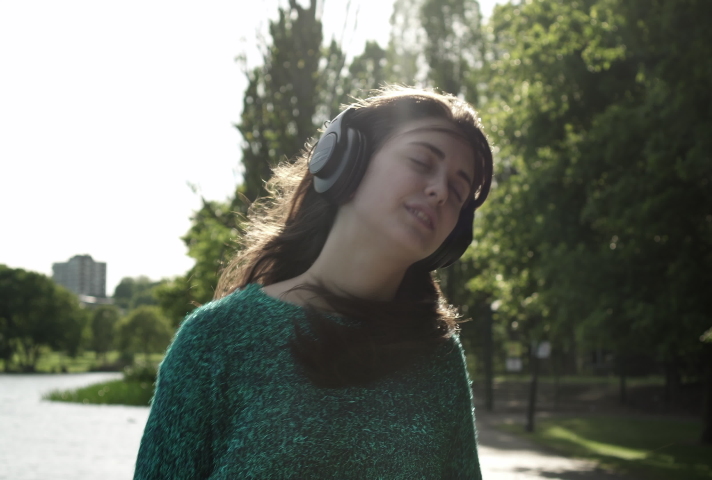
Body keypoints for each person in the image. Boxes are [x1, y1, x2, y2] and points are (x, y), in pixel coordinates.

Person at [133, 86, 493, 479]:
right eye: (422, 161)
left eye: (458, 190)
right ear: (347, 161)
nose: (440, 191)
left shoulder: (437, 356)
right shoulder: (213, 340)